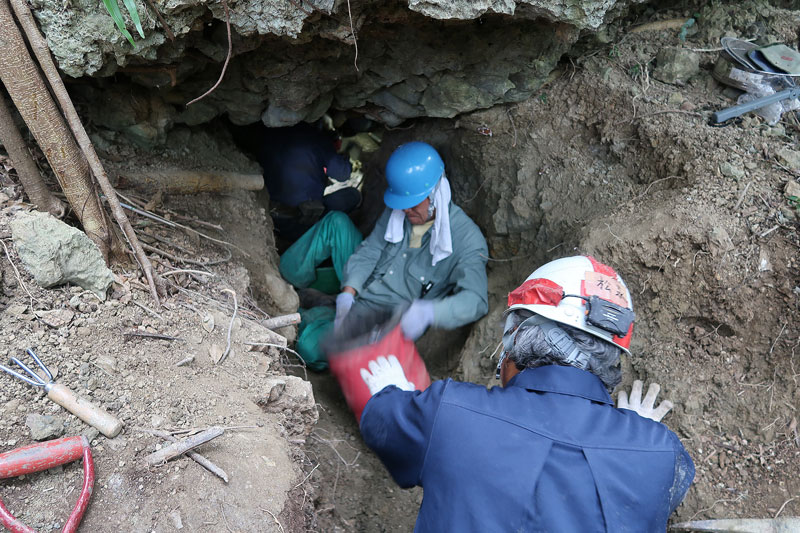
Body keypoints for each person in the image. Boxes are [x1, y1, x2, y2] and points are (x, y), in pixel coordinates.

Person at [358, 255, 695, 532]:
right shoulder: (662, 453)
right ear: (611, 357)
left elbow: (379, 421)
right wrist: (641, 431)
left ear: (518, 338)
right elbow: (664, 493)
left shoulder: (449, 412)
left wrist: (391, 389)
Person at [279, 141, 489, 370]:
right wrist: (348, 293)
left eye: (412, 204)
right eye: (402, 204)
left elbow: (475, 300)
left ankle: (313, 308)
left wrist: (428, 313)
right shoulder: (400, 210)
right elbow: (371, 249)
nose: (405, 210)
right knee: (335, 224)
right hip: (361, 287)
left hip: (380, 319)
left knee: (310, 348)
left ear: (436, 192)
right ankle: (311, 296)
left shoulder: (466, 239)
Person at [258, 122, 359, 243]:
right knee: (353, 195)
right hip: (300, 221)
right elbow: (343, 174)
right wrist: (344, 157)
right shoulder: (317, 139)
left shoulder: (268, 130)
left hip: (269, 214)